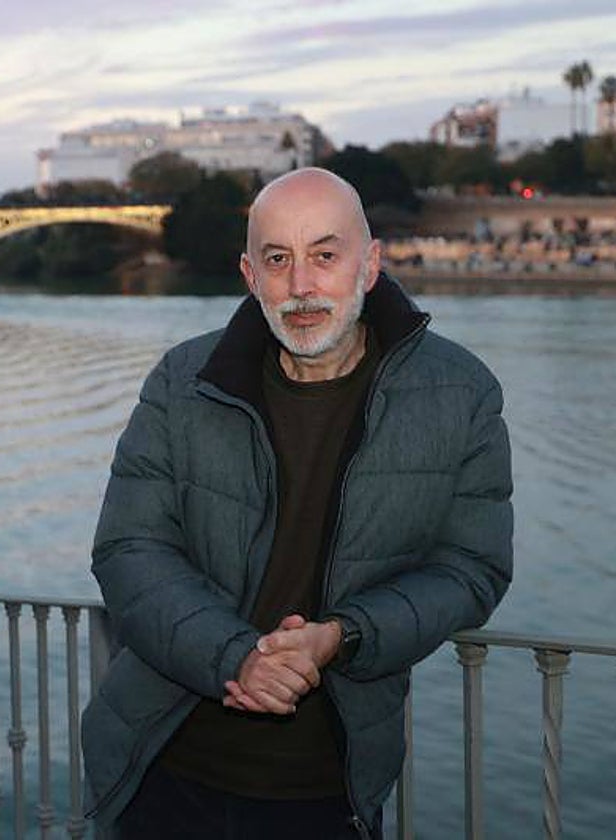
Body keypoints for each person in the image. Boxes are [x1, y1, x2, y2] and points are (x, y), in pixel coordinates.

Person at [82, 168, 513, 839]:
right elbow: (127, 549)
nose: (302, 286)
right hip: (162, 770)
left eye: (325, 255)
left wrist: (345, 635)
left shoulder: (461, 394)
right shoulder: (182, 382)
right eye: (278, 260)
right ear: (250, 276)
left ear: (370, 264)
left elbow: (472, 568)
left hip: (328, 787)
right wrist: (237, 658)